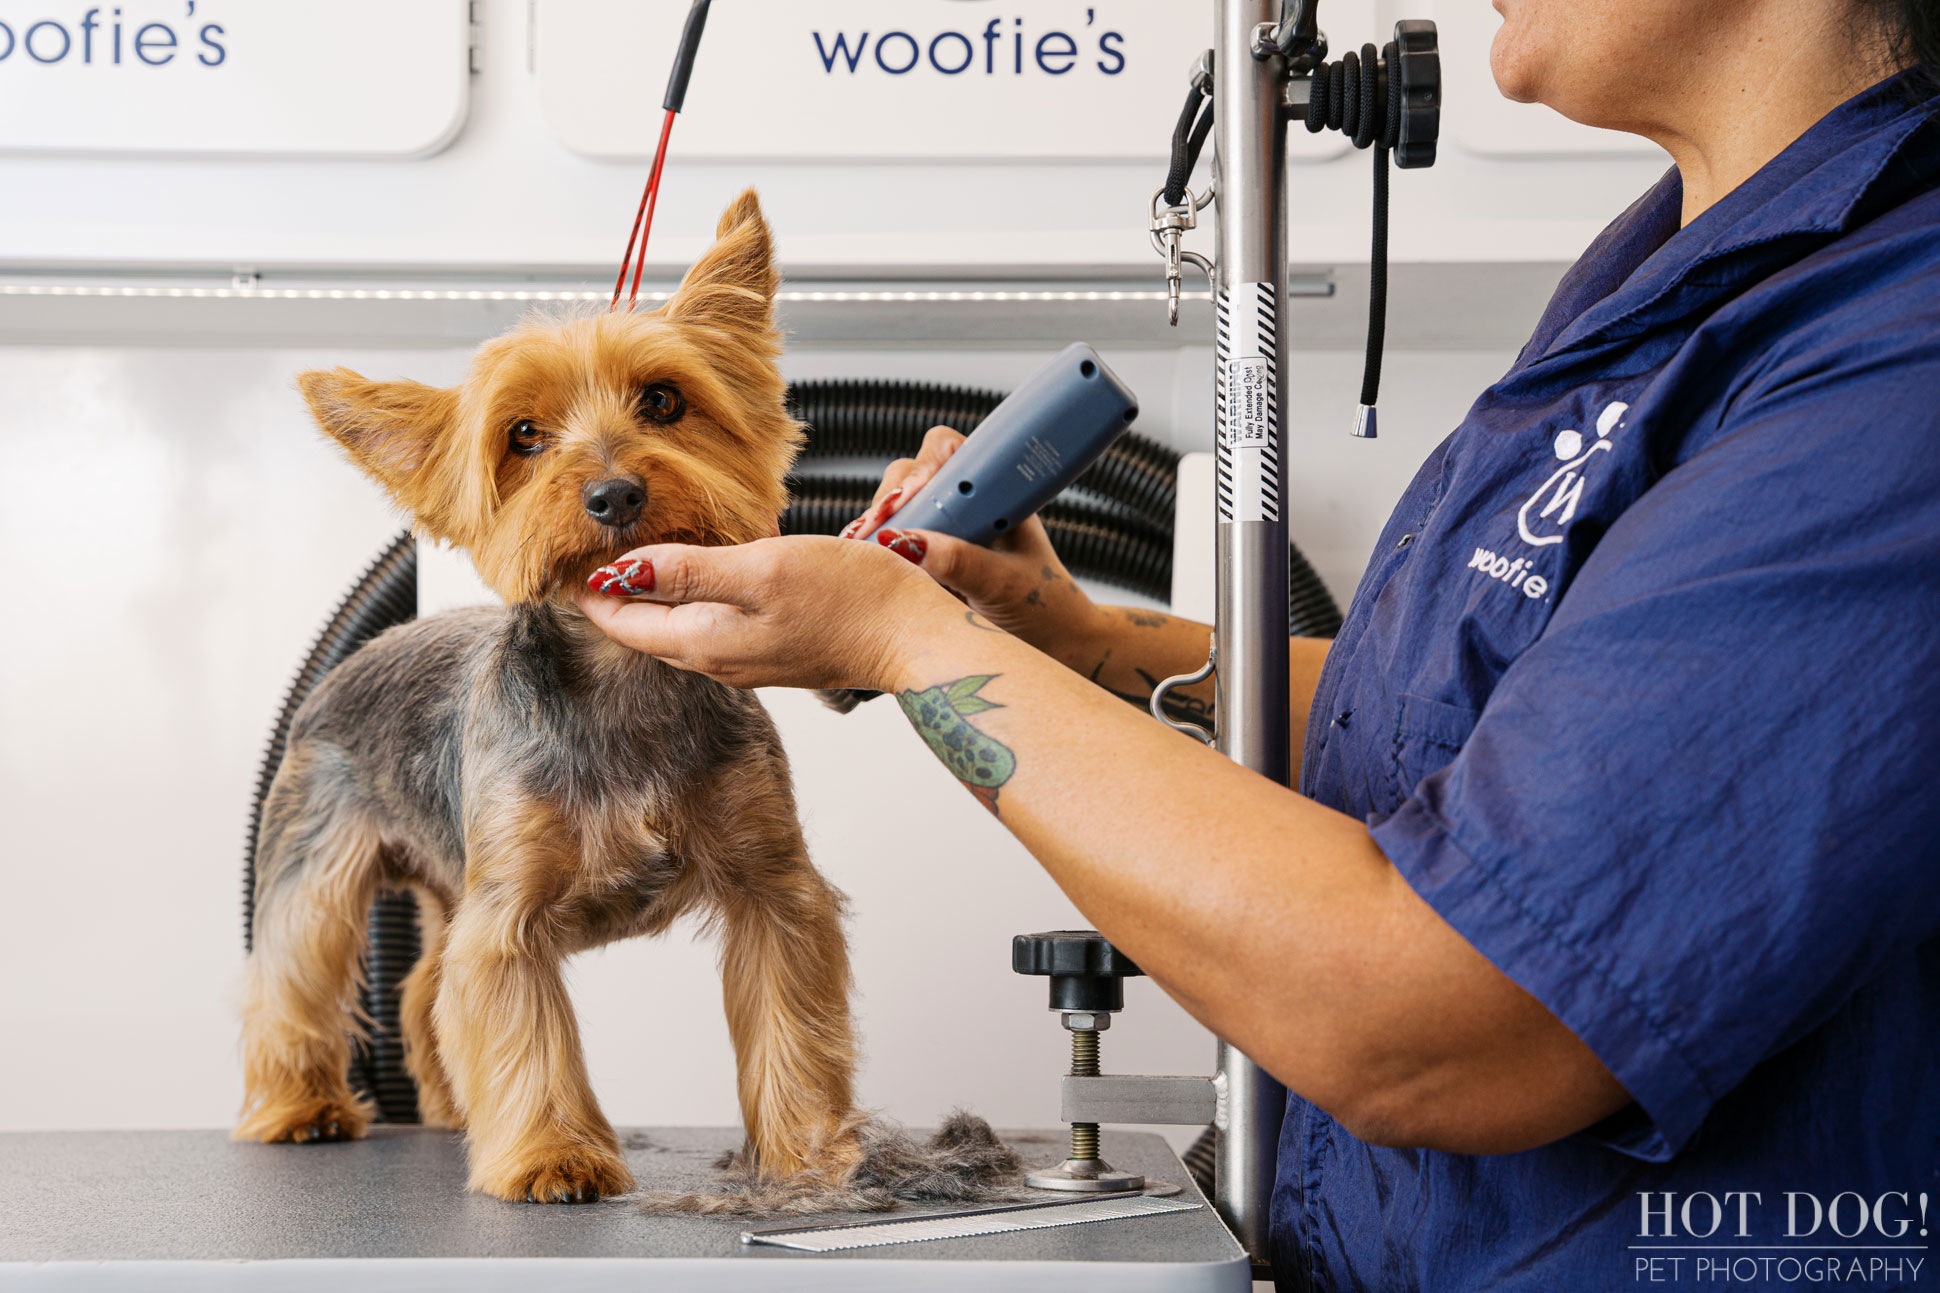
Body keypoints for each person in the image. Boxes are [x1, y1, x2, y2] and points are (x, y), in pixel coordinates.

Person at [577, 0, 1940, 1286]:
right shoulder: (1663, 270)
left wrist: (907, 640)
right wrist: (1069, 637)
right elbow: (1467, 732)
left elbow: (1443, 1016)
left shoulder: (1893, 371)